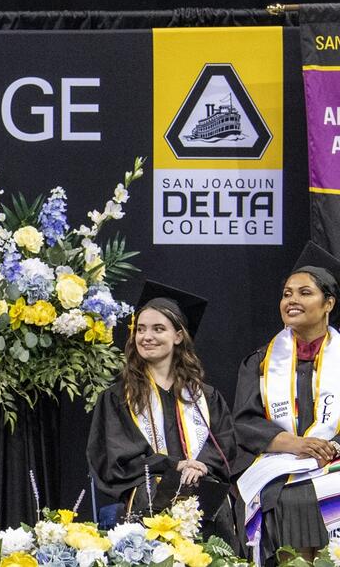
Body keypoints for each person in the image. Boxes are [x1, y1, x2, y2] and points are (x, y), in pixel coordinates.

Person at [87, 281, 241, 544]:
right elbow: (114, 460)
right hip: (148, 502)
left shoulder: (205, 396)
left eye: (159, 329)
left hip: (204, 500)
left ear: (178, 336)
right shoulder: (117, 398)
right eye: (141, 329)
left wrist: (202, 465)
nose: (147, 337)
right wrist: (173, 465)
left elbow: (225, 446)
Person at [235, 242, 340, 565]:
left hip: (334, 462)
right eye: (286, 293)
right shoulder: (261, 363)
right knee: (288, 496)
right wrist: (297, 444)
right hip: (281, 465)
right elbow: (245, 423)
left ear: (328, 304)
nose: (292, 300)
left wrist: (331, 447)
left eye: (304, 292)